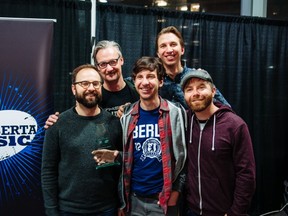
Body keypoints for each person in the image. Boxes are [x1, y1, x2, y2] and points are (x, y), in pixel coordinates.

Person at [93, 56, 187, 216]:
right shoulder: (128, 116)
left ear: (161, 81)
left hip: (163, 199)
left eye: (150, 76)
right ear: (135, 82)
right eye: (140, 77)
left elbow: (183, 158)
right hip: (133, 200)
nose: (145, 82)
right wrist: (116, 157)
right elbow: (130, 157)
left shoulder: (175, 112)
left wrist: (176, 192)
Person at [41, 64, 123, 216]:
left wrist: (121, 204)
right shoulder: (57, 124)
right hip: (68, 210)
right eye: (84, 83)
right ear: (74, 89)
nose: (91, 88)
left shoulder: (115, 123)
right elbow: (48, 171)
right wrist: (51, 210)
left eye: (95, 83)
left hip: (107, 209)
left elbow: (123, 166)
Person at [180, 68, 256, 216]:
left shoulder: (234, 125)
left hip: (224, 212)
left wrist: (236, 212)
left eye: (201, 87)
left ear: (214, 91)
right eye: (189, 89)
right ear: (184, 95)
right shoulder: (184, 121)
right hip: (192, 211)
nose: (195, 93)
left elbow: (246, 175)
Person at [44, 40, 138, 128]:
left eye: (113, 62)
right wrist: (56, 121)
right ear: (97, 67)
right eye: (103, 64)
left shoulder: (138, 91)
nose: (109, 69)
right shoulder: (91, 94)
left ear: (121, 60)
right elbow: (75, 121)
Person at [156, 26, 230, 109]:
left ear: (182, 49)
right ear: (158, 53)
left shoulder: (197, 77)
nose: (169, 50)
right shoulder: (155, 81)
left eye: (173, 44)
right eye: (163, 46)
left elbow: (226, 109)